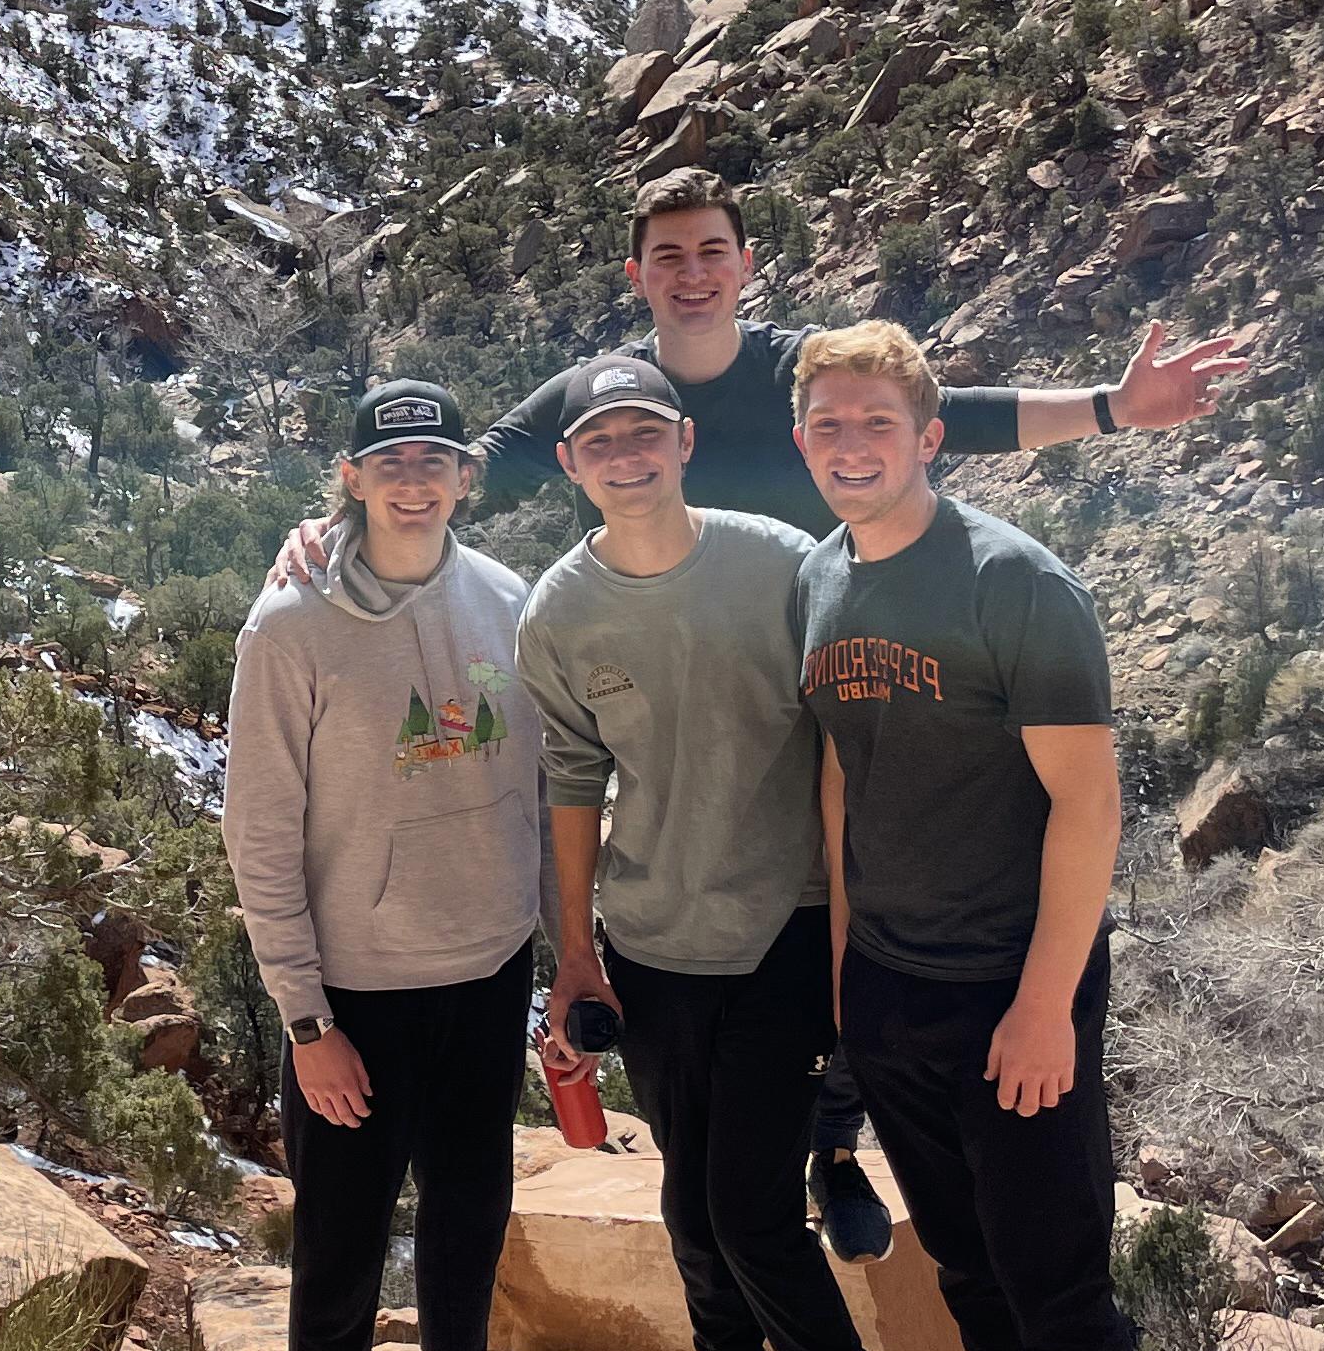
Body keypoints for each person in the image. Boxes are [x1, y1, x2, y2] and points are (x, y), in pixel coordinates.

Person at [472, 169, 1251, 1262]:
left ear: (747, 265)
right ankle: (801, 1158)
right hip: (725, 698)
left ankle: (836, 1148)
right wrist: (343, 519)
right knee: (794, 938)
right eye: (669, 256)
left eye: (712, 252)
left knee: (856, 911)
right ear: (637, 275)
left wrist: (1117, 408)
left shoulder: (798, 364)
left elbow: (952, 419)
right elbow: (480, 466)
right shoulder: (606, 390)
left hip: (844, 683)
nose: (692, 274)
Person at [792, 320, 1179, 1351]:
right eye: (828, 424)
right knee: (962, 1261)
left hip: (1017, 989)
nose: (851, 445)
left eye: (875, 425)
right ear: (804, 441)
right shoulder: (823, 582)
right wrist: (847, 973)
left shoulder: (1017, 585)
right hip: (893, 986)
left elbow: (1089, 803)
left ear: (930, 436)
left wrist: (1045, 1007)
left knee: (1063, 1286)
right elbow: (844, 789)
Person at [223, 377, 594, 1351]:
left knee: (471, 1207)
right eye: (392, 464)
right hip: (358, 1007)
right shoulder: (290, 630)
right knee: (335, 1262)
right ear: (352, 477)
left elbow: (548, 800)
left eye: (435, 459)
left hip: (484, 972)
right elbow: (260, 839)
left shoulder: (508, 603)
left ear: (462, 478)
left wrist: (564, 962)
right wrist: (307, 1023)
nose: (415, 482)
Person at [518, 354, 909, 1351]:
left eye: (646, 434)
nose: (625, 456)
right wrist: (574, 952)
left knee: (744, 1211)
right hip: (648, 944)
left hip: (786, 929)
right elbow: (573, 784)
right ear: (570, 464)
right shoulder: (561, 614)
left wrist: (856, 936)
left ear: (684, 443)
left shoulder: (784, 566)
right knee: (689, 1211)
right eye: (601, 442)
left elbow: (852, 746)